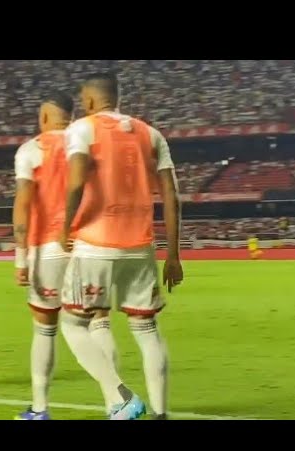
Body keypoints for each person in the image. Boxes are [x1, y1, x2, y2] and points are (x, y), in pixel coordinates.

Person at [59, 73, 183, 420]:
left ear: (90, 100)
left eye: (84, 98)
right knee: (146, 330)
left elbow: (75, 183)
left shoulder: (82, 129)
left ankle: (121, 396)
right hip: (140, 246)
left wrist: (66, 227)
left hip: (95, 244)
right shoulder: (151, 134)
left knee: (73, 324)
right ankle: (159, 413)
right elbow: (172, 196)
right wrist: (173, 255)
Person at [12, 91, 117, 420]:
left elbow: (23, 208)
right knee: (99, 322)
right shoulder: (90, 145)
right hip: (93, 246)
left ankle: (40, 409)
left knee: (45, 328)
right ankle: (116, 403)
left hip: (49, 249)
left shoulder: (30, 150)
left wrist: (20, 258)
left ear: (44, 117)